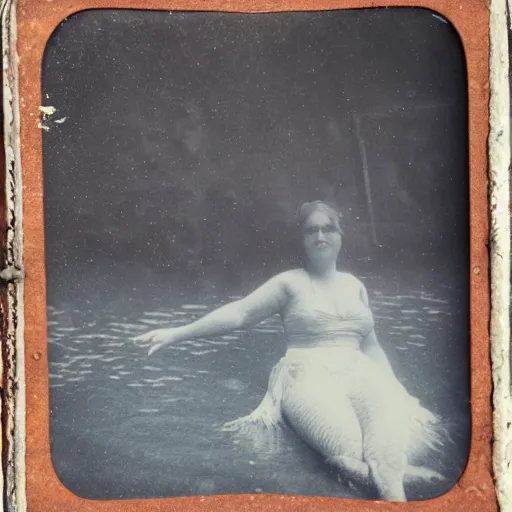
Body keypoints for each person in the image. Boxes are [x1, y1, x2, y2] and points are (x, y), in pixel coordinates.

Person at [135, 200, 445, 502]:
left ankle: (386, 483)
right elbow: (241, 313)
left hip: (360, 370)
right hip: (307, 372)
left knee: (388, 446)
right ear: (301, 239)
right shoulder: (289, 283)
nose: (321, 236)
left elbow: (372, 345)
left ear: (340, 235)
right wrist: (176, 333)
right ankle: (394, 492)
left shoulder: (355, 285)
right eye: (311, 230)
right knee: (350, 448)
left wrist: (394, 387)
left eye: (328, 228)